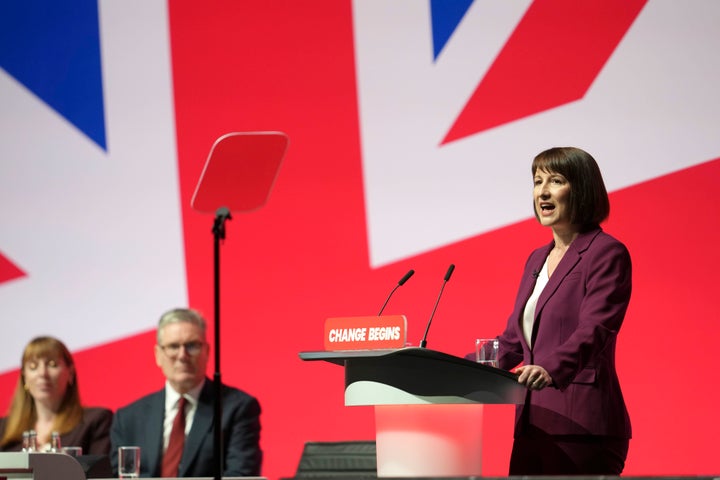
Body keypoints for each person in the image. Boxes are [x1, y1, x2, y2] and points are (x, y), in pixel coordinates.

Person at [497, 147, 632, 475]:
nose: (542, 191)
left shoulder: (606, 253)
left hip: (581, 425)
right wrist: (450, 370)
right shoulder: (535, 259)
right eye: (537, 181)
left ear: (582, 189)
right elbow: (515, 341)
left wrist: (550, 368)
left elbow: (596, 328)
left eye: (555, 181)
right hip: (532, 424)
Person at [110, 308, 262, 477]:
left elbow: (240, 475)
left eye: (192, 345)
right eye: (173, 346)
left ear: (207, 351)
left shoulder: (236, 408)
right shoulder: (128, 418)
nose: (182, 355)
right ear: (158, 355)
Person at [0, 336, 113, 454]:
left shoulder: (95, 421)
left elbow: (98, 471)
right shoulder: (3, 429)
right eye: (33, 366)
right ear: (24, 377)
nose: (42, 373)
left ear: (70, 373)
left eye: (52, 364)